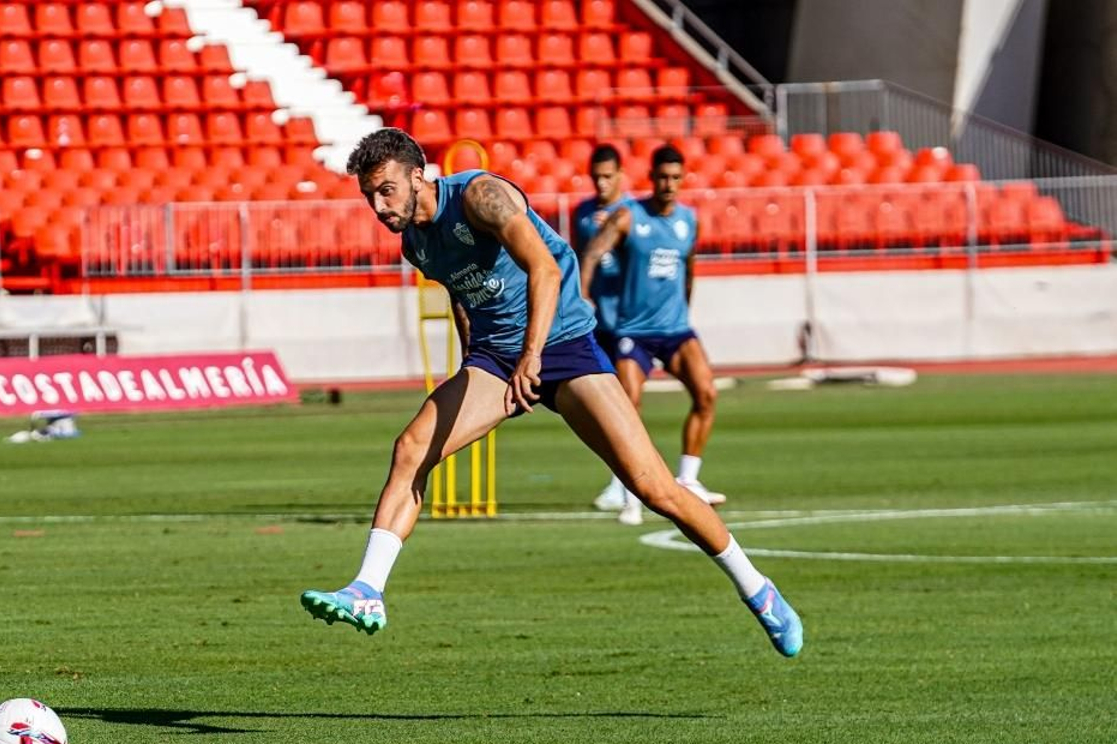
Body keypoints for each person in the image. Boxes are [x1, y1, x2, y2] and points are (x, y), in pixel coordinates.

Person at [299, 128, 802, 659]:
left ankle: (757, 588)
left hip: (562, 344)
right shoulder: (415, 244)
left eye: (387, 191)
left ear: (418, 176)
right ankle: (368, 590)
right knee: (410, 449)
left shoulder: (480, 196)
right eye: (369, 196)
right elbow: (460, 293)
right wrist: (477, 364)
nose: (379, 207)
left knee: (654, 487)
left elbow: (542, 267)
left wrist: (533, 355)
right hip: (496, 359)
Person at [580, 144, 726, 527]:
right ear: (651, 177)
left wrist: (685, 308)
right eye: (663, 177)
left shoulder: (689, 221)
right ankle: (632, 494)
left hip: (675, 328)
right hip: (634, 331)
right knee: (628, 408)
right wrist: (582, 293)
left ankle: (688, 479)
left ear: (683, 178)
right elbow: (594, 251)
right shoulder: (630, 216)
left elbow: (689, 266)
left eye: (676, 177)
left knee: (707, 394)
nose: (669, 184)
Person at [569, 145, 635, 516]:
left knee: (625, 401)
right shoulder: (582, 214)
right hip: (595, 321)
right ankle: (620, 479)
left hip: (628, 320)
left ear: (620, 175)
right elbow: (578, 259)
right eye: (596, 176)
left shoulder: (631, 215)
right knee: (601, 406)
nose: (601, 182)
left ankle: (628, 482)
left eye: (608, 176)